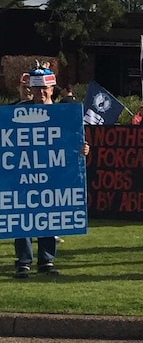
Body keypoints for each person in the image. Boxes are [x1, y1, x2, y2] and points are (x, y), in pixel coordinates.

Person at [13, 64, 89, 278]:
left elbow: (73, 143)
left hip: (53, 173)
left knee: (49, 213)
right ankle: (23, 262)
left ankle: (46, 260)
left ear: (53, 89)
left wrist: (82, 150)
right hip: (24, 173)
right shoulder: (18, 111)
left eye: (44, 89)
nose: (40, 93)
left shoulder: (64, 113)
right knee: (22, 215)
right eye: (36, 89)